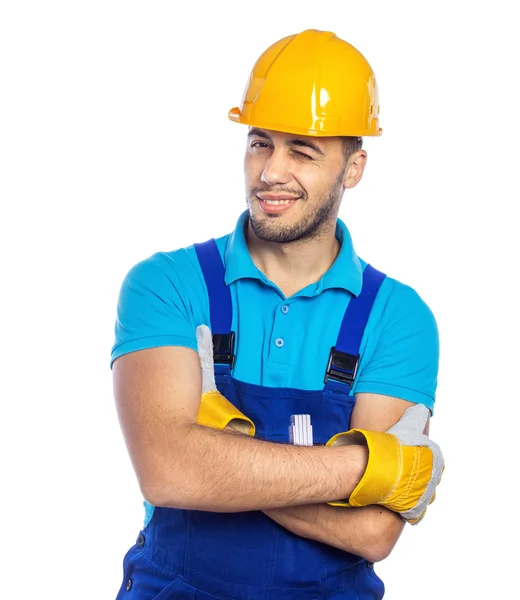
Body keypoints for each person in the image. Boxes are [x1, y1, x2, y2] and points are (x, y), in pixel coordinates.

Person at [111, 29, 443, 600]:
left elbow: (373, 531)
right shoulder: (167, 284)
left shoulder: (398, 317)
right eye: (260, 143)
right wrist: (367, 468)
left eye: (303, 151)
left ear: (354, 167)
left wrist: (215, 452)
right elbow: (167, 470)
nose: (270, 172)